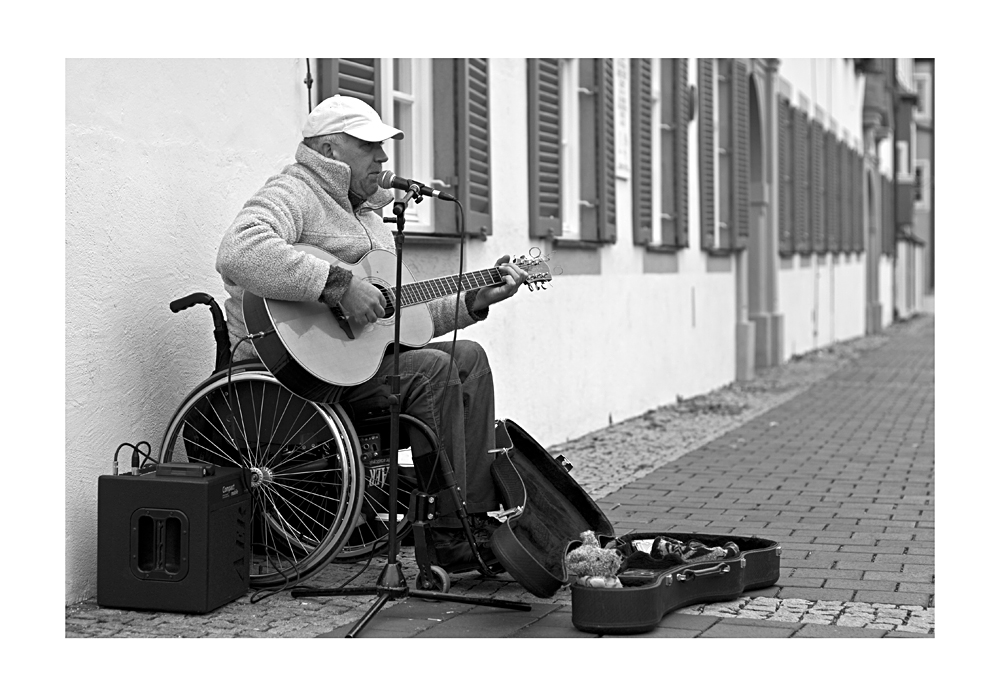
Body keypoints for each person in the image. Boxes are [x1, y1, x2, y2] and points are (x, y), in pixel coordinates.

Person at [216, 95, 527, 568]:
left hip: (357, 367)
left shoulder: (371, 219)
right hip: (291, 373)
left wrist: (471, 302)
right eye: (370, 146)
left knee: (470, 357)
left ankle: (474, 515)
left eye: (383, 148)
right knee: (433, 370)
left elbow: (400, 319)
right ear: (330, 149)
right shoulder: (294, 191)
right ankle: (449, 533)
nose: (383, 159)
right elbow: (239, 251)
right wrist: (336, 285)